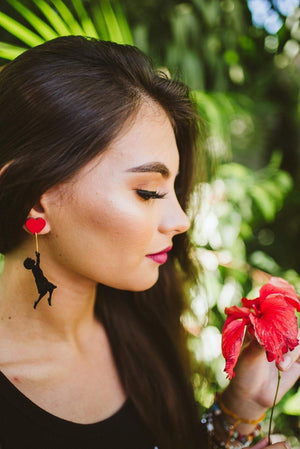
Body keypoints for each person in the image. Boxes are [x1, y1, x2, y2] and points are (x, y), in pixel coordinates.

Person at [0, 36, 298, 449]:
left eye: (174, 189)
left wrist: (240, 409)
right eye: (148, 192)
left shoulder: (141, 320)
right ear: (35, 198)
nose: (181, 220)